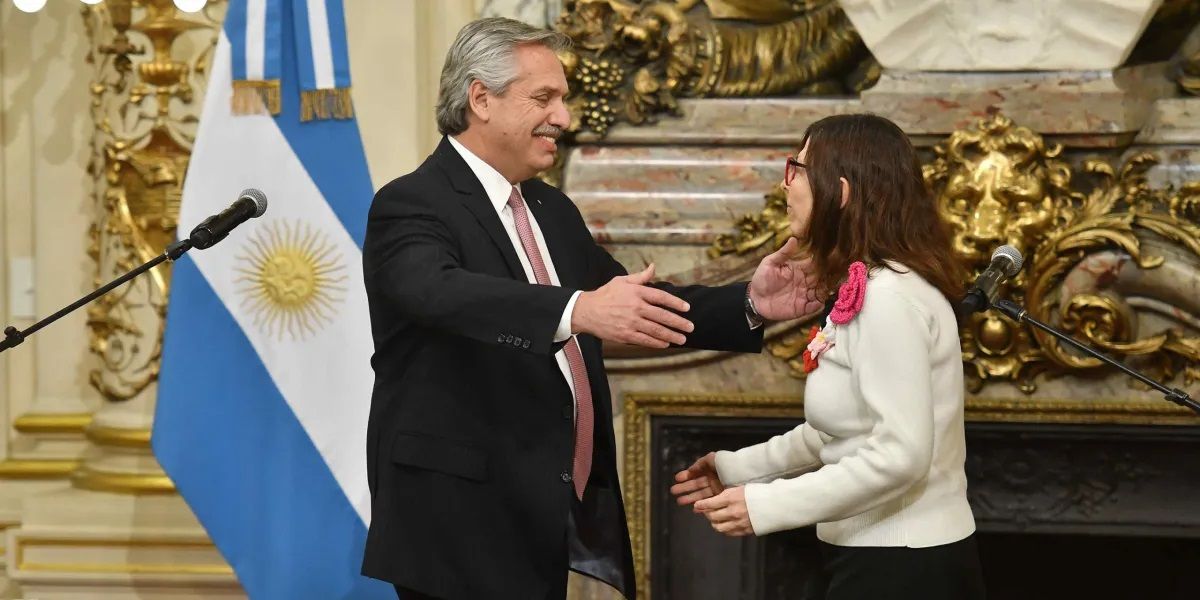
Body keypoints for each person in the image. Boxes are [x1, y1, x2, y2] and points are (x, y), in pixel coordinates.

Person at [360, 17, 823, 600]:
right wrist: (577, 310)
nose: (564, 117)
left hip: (538, 510)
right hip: (455, 519)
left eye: (565, 99)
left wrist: (751, 304)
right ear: (480, 99)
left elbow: (628, 305)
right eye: (544, 98)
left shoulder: (550, 210)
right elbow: (439, 292)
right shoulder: (411, 202)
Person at [670, 113, 986, 600]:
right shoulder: (872, 284)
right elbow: (839, 432)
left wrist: (767, 506)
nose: (786, 184)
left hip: (904, 565)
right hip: (878, 556)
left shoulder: (887, 298)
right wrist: (736, 469)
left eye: (796, 168)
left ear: (840, 192)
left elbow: (901, 456)